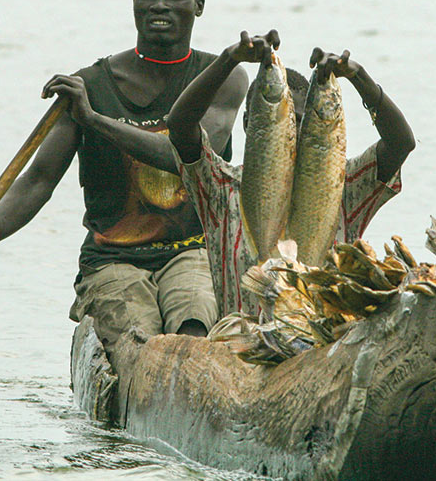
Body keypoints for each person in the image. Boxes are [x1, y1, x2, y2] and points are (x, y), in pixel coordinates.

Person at [0, 0, 249, 361]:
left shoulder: (222, 78)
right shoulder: (89, 85)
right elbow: (37, 182)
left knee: (193, 328)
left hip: (192, 252)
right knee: (139, 346)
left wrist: (94, 120)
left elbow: (185, 155)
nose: (159, 6)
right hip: (113, 259)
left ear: (198, 6)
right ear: (133, 2)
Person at [166, 30, 416, 317]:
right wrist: (230, 58)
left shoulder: (341, 186)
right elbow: (180, 126)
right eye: (286, 120)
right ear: (249, 123)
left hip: (320, 345)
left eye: (301, 123)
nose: (293, 133)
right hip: (239, 348)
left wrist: (357, 76)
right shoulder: (221, 188)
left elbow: (401, 144)